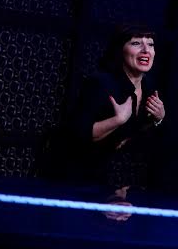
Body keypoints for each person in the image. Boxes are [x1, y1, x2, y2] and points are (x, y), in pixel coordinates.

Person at [61, 23, 166, 196]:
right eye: (136, 43)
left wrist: (158, 118)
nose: (146, 50)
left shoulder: (149, 86)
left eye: (150, 44)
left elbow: (137, 133)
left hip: (112, 176)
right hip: (75, 175)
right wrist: (117, 120)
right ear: (120, 50)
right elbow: (78, 135)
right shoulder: (101, 83)